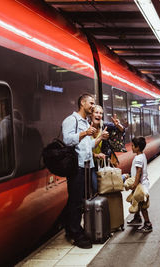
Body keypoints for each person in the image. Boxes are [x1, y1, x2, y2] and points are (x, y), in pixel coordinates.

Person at [62, 93, 108, 249]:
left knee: (80, 199)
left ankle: (71, 228)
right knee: (75, 201)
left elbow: (89, 146)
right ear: (82, 103)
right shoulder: (71, 120)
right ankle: (75, 233)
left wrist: (100, 137)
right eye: (91, 103)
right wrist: (84, 133)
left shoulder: (86, 123)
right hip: (77, 167)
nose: (93, 106)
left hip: (88, 166)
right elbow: (67, 140)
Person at [90, 105, 125, 193]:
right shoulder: (85, 127)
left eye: (101, 113)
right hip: (91, 163)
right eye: (96, 112)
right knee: (95, 187)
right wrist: (95, 155)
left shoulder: (105, 126)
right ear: (91, 114)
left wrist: (118, 125)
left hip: (104, 163)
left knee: (106, 186)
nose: (99, 115)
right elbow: (83, 147)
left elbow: (122, 131)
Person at [126, 137, 152, 233]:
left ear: (137, 147)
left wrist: (135, 184)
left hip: (140, 185)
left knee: (142, 204)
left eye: (133, 146)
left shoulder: (138, 158)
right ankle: (137, 218)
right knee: (135, 200)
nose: (131, 147)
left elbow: (139, 172)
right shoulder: (142, 155)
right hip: (141, 184)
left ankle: (148, 224)